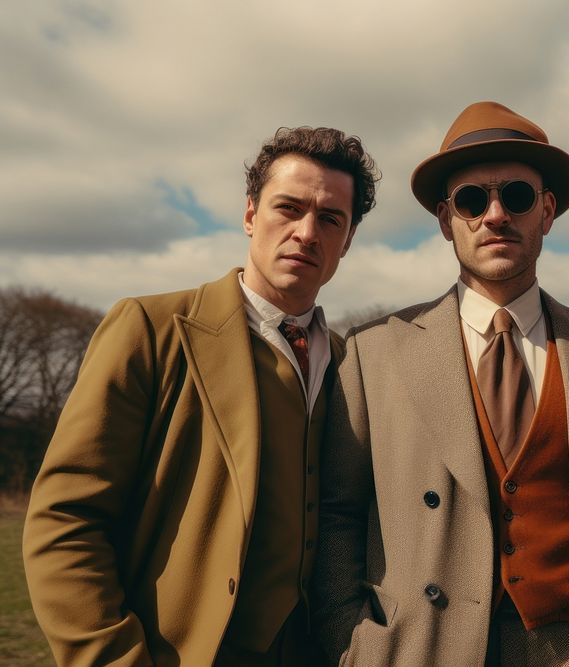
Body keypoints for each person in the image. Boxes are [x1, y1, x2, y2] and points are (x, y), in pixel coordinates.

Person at [312, 101, 569, 666]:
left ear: (548, 211)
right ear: (444, 220)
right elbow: (338, 513)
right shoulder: (372, 351)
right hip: (421, 652)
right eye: (472, 200)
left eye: (519, 197)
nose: (496, 215)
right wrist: (358, 645)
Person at [22, 126, 379, 666]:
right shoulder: (150, 328)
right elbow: (66, 521)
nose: (307, 232)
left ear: (347, 240)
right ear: (250, 215)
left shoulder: (354, 363)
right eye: (289, 208)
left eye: (331, 218)